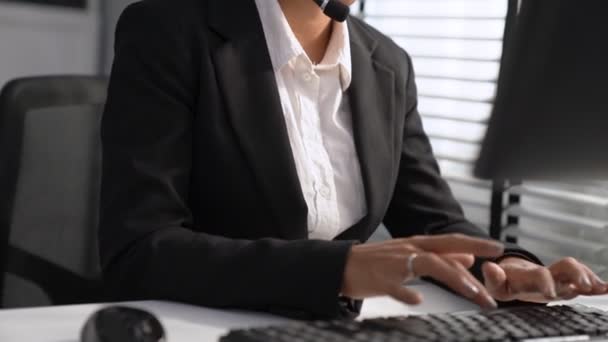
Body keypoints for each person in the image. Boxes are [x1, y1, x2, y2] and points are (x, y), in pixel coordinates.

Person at [99, 0, 607, 318]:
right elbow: (140, 250)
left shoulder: (387, 64)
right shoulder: (167, 31)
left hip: (334, 329)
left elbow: (435, 221)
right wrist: (335, 269)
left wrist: (508, 266)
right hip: (206, 324)